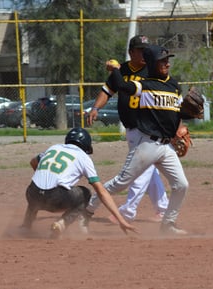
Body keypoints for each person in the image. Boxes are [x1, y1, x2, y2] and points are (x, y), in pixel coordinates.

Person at [87, 45, 192, 235]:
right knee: (121, 182)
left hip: (166, 146)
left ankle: (168, 224)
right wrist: (117, 70)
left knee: (182, 185)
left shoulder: (175, 86)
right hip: (147, 144)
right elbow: (121, 86)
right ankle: (87, 208)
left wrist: (180, 128)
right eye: (162, 61)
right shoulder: (145, 85)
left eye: (168, 60)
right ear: (152, 63)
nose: (167, 63)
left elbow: (177, 113)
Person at [87, 35, 169, 223]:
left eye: (146, 49)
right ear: (131, 52)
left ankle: (128, 210)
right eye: (140, 49)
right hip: (132, 128)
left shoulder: (152, 69)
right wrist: (95, 108)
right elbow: (107, 91)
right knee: (148, 169)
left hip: (148, 126)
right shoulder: (122, 70)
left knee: (139, 169)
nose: (144, 53)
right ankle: (163, 209)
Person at [21, 127, 137, 238]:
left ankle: (26, 226)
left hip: (32, 193)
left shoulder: (53, 148)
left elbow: (33, 162)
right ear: (86, 145)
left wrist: (44, 176)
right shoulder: (83, 157)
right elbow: (101, 192)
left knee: (37, 192)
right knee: (85, 193)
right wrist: (121, 220)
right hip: (55, 198)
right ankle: (62, 224)